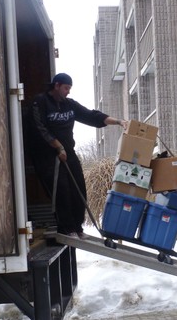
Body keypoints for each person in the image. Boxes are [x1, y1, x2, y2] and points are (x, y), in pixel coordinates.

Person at [26, 73, 128, 238]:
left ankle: (78, 228)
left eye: (69, 89)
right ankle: (67, 228)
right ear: (57, 85)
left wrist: (118, 122)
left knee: (79, 187)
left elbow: (91, 115)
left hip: (68, 152)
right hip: (47, 156)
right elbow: (39, 128)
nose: (68, 92)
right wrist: (58, 147)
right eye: (66, 88)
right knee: (62, 191)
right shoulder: (40, 102)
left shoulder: (69, 105)